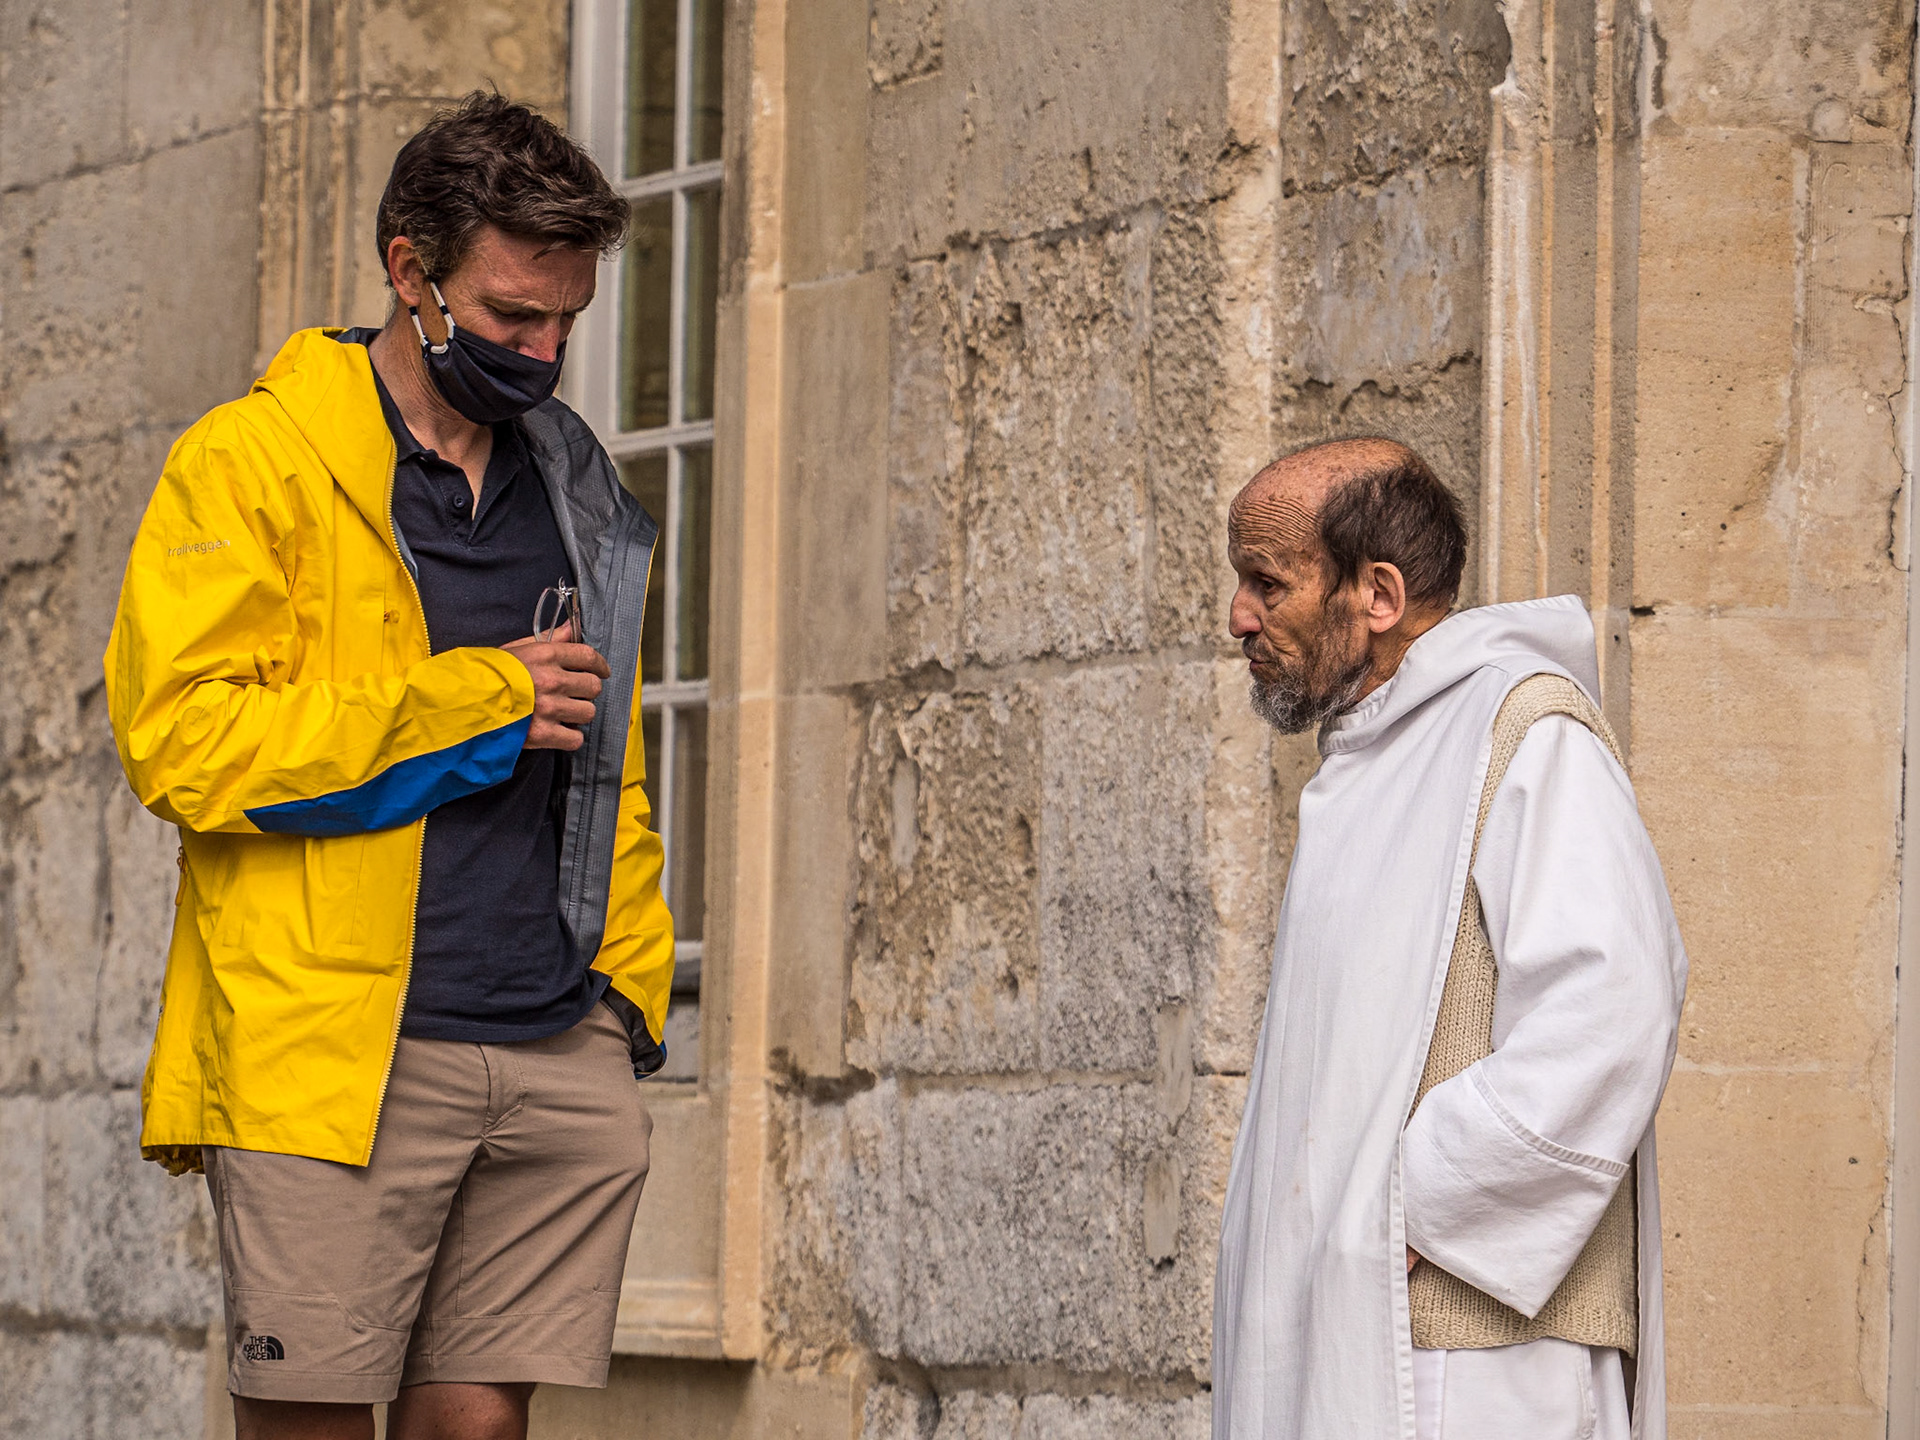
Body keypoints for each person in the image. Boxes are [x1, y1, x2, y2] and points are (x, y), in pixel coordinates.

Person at [103, 93, 674, 1440]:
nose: (543, 353)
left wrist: (626, 989)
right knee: (309, 1423)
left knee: (479, 1425)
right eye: (509, 316)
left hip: (551, 1033)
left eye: (566, 324)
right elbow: (184, 742)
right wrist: (476, 701)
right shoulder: (247, 465)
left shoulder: (575, 482)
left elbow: (609, 761)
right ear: (408, 271)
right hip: (340, 1051)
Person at [1211, 438, 1688, 1440]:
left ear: (1376, 594)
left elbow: (1612, 1007)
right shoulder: (1376, 757)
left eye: (1267, 581)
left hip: (1471, 1363)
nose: (1239, 617)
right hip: (1374, 1327)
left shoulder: (1526, 736)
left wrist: (1410, 1204)